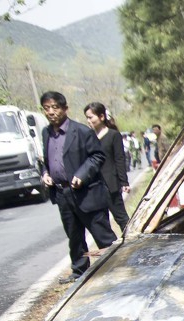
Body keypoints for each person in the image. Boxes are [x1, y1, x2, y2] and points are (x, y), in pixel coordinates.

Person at [39, 91, 114, 280]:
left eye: (55, 107)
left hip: (86, 192)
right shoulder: (46, 133)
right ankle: (79, 270)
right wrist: (46, 174)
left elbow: (97, 156)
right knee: (74, 235)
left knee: (101, 233)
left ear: (65, 109)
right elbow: (48, 160)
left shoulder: (81, 131)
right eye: (47, 108)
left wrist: (81, 175)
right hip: (62, 192)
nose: (51, 112)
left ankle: (117, 266)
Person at [84, 102, 131, 234]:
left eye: (91, 117)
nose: (89, 121)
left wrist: (124, 181)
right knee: (101, 221)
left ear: (101, 117)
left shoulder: (113, 135)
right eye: (87, 118)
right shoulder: (88, 137)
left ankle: (132, 242)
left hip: (111, 184)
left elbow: (119, 159)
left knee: (121, 218)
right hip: (94, 185)